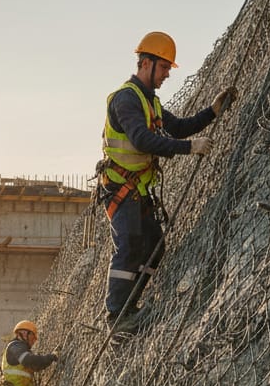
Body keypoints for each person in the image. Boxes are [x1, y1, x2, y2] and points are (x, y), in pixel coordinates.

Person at [99, 30, 237, 333]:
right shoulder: (126, 99)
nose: (166, 75)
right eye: (163, 67)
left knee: (154, 246)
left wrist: (213, 112)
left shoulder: (150, 102)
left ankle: (130, 306)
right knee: (128, 246)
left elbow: (178, 128)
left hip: (137, 189)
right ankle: (116, 316)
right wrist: (190, 148)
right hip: (121, 188)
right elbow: (142, 139)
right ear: (146, 63)